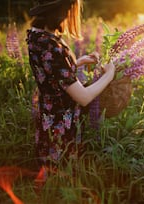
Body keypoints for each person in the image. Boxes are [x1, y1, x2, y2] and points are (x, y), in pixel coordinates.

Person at [26, 0, 115, 169]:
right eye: (69, 11)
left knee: (51, 173)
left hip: (47, 117)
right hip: (61, 125)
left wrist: (77, 62)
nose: (70, 16)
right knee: (63, 176)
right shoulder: (52, 47)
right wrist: (109, 75)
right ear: (61, 12)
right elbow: (83, 97)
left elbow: (51, 72)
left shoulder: (36, 37)